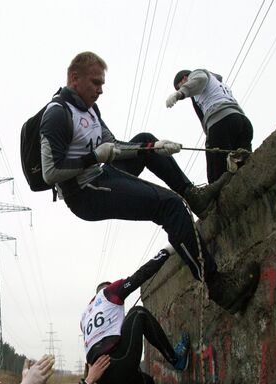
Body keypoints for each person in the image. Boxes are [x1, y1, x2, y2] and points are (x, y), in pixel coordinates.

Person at [40, 51, 259, 314]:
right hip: (84, 192)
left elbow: (117, 146)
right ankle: (218, 286)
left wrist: (154, 147)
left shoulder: (91, 110)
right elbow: (50, 172)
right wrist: (93, 157)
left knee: (145, 139)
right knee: (170, 206)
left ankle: (194, 195)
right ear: (74, 78)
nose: (100, 90)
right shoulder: (56, 113)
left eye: (102, 84)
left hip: (100, 173)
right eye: (95, 83)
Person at [80, 248, 191, 384]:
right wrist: (166, 252)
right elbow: (140, 276)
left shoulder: (85, 314)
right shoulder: (110, 292)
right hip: (118, 361)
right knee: (138, 313)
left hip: (103, 379)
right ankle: (177, 360)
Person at [166, 69, 253, 184]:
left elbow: (200, 80)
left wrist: (180, 93)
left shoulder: (198, 74)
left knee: (215, 174)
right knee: (243, 165)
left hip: (221, 121)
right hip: (242, 122)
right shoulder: (219, 84)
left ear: (184, 79)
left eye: (180, 86)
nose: (182, 87)